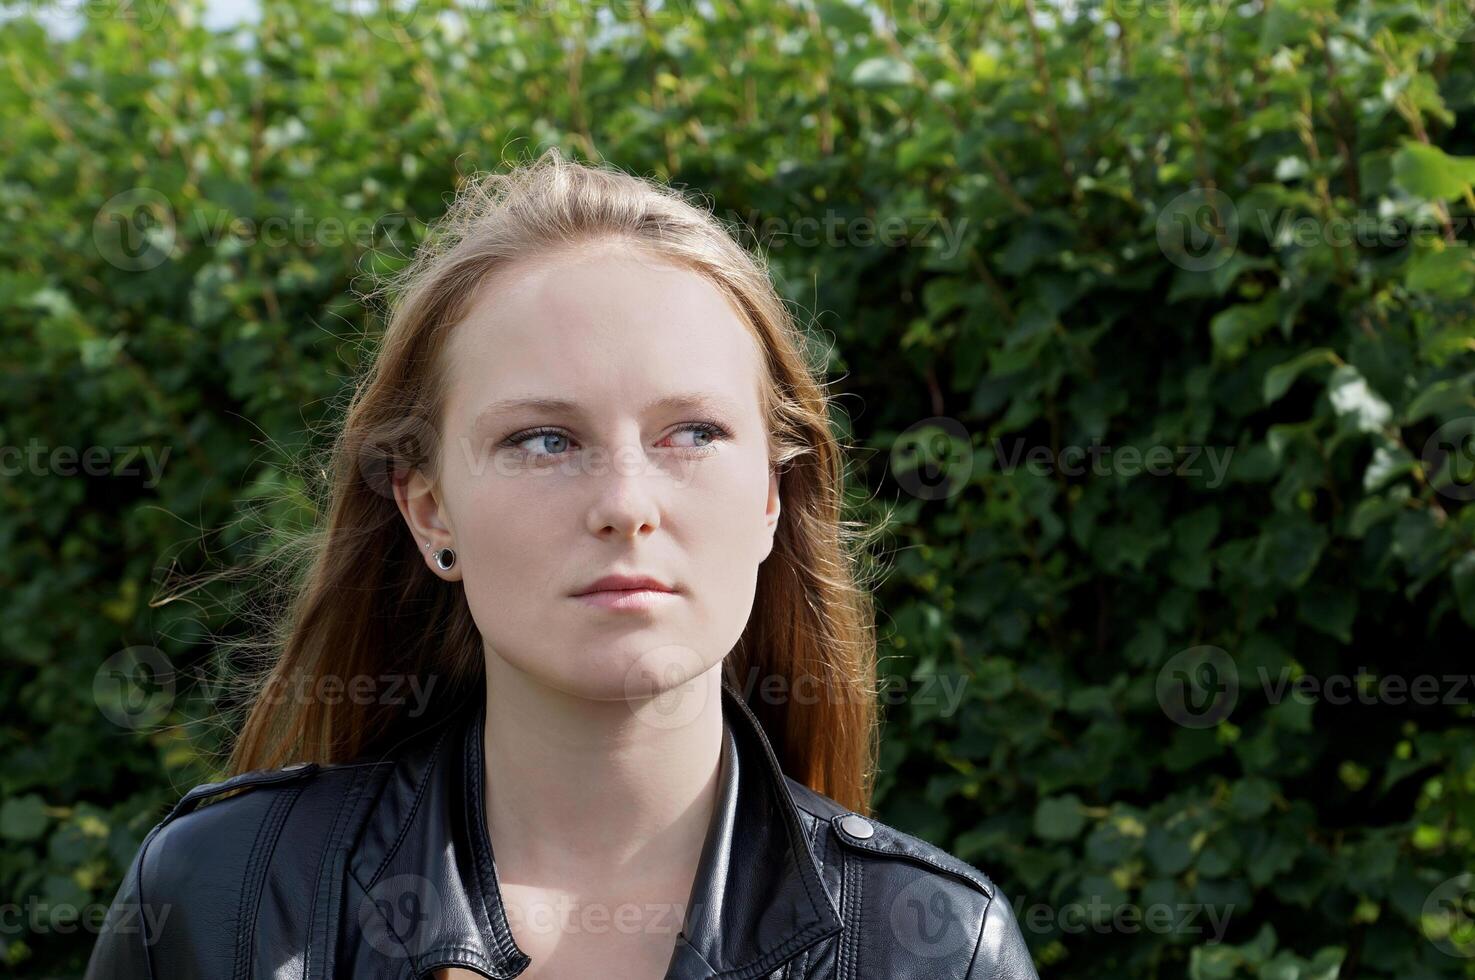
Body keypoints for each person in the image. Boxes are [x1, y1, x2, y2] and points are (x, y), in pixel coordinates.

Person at [84, 148, 1040, 979]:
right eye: (544, 440)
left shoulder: (934, 951)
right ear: (428, 510)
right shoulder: (219, 902)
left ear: (769, 499)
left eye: (693, 432)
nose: (626, 505)